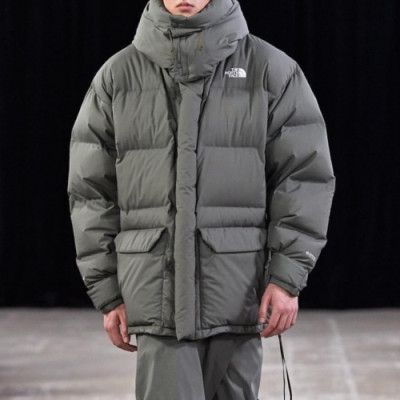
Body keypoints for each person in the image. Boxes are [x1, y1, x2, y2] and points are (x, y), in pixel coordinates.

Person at [67, 0, 335, 399]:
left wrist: (287, 277)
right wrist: (107, 291)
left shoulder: (271, 71)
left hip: (238, 295)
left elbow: (304, 179)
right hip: (157, 298)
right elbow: (90, 193)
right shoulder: (117, 77)